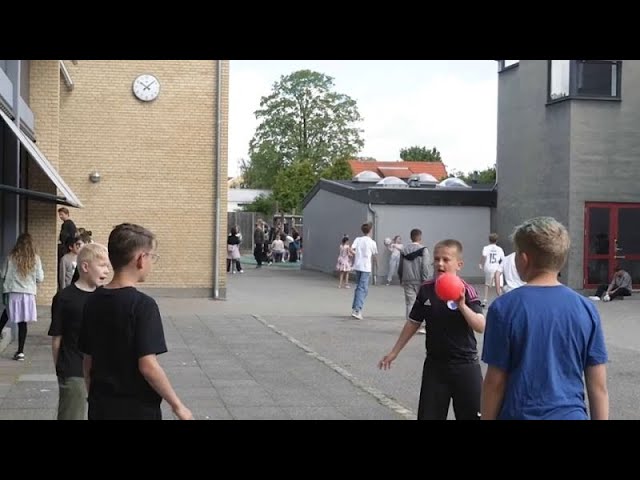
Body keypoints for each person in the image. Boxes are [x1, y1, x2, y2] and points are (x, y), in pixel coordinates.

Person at [481, 216, 609, 420]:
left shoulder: (504, 308)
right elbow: (598, 387)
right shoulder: (586, 308)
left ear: (523, 259)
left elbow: (495, 383)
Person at [78, 223, 193, 420]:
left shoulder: (92, 301)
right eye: (152, 256)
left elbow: (88, 360)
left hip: (101, 406)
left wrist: (93, 394)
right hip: (137, 409)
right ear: (140, 259)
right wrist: (178, 406)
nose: (152, 262)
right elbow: (148, 365)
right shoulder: (143, 306)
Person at [378, 239, 485, 420]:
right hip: (435, 367)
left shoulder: (467, 290)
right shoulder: (426, 289)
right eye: (436, 259)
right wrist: (394, 351)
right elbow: (413, 322)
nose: (440, 264)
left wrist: (462, 306)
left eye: (445, 259)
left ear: (459, 264)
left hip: (465, 366)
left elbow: (480, 326)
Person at [49, 243, 110, 420]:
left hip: (101, 370)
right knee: (71, 415)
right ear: (85, 266)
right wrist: (60, 370)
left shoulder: (105, 296)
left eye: (108, 266)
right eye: (102, 265)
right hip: (73, 370)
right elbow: (57, 338)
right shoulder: (64, 297)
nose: (107, 271)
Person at [0, 233, 45, 361]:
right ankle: (20, 352)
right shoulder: (35, 259)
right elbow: (40, 277)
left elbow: (3, 274)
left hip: (13, 291)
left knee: (7, 314)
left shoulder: (11, 257)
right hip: (28, 294)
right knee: (22, 322)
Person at [398, 228, 430, 334]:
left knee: (409, 303)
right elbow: (425, 266)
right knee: (423, 302)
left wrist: (401, 277)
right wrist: (425, 280)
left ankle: (410, 325)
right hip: (420, 280)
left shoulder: (404, 250)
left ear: (410, 237)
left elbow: (400, 266)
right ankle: (422, 326)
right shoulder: (424, 250)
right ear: (420, 237)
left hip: (407, 279)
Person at [350, 222, 378, 320]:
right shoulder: (372, 242)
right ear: (370, 231)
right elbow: (375, 255)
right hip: (366, 267)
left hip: (357, 266)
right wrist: (377, 265)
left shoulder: (358, 239)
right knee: (362, 288)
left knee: (360, 288)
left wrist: (355, 254)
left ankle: (355, 308)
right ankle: (357, 310)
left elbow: (351, 249)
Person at [479, 233, 505, 307]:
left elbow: (484, 256)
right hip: (496, 267)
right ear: (497, 240)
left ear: (489, 240)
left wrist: (481, 264)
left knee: (487, 284)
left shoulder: (486, 248)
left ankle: (485, 300)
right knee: (499, 285)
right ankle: (502, 299)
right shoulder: (499, 249)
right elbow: (503, 259)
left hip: (488, 267)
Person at [57, 207, 78, 289]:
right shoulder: (71, 224)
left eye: (62, 214)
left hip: (66, 248)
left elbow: (65, 237)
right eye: (59, 215)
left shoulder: (66, 224)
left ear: (67, 214)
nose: (60, 216)